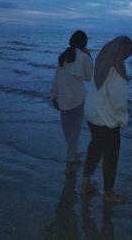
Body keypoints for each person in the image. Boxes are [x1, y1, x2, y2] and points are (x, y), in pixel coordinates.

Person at [81, 35, 132, 203]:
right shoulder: (117, 73)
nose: (126, 57)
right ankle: (109, 193)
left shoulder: (101, 64)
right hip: (105, 119)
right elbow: (118, 104)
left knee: (95, 148)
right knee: (111, 154)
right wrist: (122, 121)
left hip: (91, 114)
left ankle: (85, 183)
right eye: (126, 54)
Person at [50, 30, 93, 174]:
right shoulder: (84, 57)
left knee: (68, 130)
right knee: (74, 130)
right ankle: (71, 156)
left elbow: (56, 79)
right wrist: (89, 56)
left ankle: (72, 152)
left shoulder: (63, 56)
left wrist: (53, 96)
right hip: (77, 98)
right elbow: (88, 77)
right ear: (84, 43)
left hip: (63, 98)